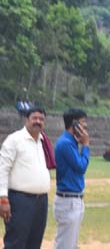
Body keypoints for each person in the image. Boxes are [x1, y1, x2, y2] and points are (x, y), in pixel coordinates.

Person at [0, 107, 51, 249]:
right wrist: (3, 199)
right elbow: (2, 169)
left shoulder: (42, 141)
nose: (38, 121)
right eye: (34, 118)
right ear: (26, 120)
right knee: (15, 243)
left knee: (34, 243)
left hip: (41, 201)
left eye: (41, 119)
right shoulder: (14, 140)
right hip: (20, 200)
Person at [54, 108, 91, 249]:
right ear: (74, 124)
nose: (85, 126)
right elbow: (81, 167)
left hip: (74, 199)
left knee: (71, 245)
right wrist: (86, 146)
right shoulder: (65, 143)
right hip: (68, 201)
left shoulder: (72, 142)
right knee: (65, 245)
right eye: (83, 122)